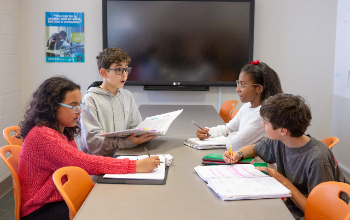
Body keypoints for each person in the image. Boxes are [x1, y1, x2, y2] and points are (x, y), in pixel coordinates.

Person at [17, 76, 160, 220]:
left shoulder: (63, 130)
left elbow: (77, 168)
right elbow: (83, 163)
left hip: (59, 197)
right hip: (41, 209)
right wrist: (135, 165)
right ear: (53, 106)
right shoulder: (43, 135)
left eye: (79, 105)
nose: (79, 111)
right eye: (73, 105)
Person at [223, 93, 347, 219]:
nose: (262, 125)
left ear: (283, 130)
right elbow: (253, 149)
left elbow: (319, 213)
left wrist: (283, 181)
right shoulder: (279, 140)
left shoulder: (317, 159)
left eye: (265, 122)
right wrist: (238, 154)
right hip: (291, 203)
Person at [77, 47, 156, 157]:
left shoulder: (127, 96)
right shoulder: (90, 99)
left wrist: (144, 134)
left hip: (123, 155)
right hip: (99, 164)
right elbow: (93, 143)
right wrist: (127, 142)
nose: (125, 75)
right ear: (104, 73)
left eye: (126, 69)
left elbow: (135, 127)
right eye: (118, 69)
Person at [196, 60, 283, 150]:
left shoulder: (262, 114)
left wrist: (235, 135)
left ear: (258, 88)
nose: (238, 89)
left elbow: (235, 145)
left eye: (242, 85)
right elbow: (228, 129)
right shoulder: (247, 106)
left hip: (257, 162)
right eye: (238, 83)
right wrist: (209, 132)